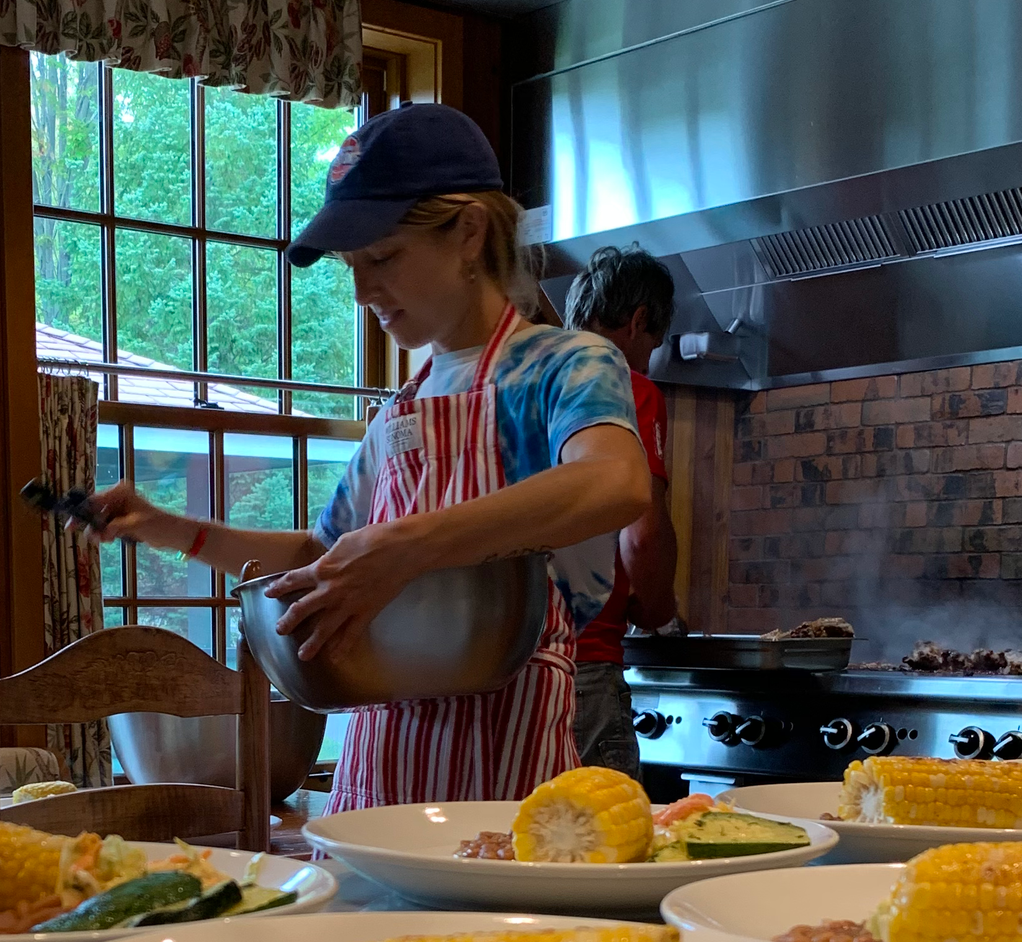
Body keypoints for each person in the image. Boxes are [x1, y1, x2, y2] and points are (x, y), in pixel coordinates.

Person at [83, 103, 651, 809]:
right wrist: (166, 527)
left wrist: (404, 547)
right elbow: (321, 558)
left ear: (468, 232)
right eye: (353, 267)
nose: (360, 293)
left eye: (382, 258)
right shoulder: (397, 413)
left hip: (509, 753)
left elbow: (614, 481)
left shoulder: (561, 367)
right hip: (382, 758)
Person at [564, 247, 680, 779]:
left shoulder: (520, 381)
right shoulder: (625, 386)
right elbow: (642, 534)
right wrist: (660, 612)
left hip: (505, 667)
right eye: (653, 344)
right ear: (638, 322)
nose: (649, 359)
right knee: (608, 853)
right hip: (585, 665)